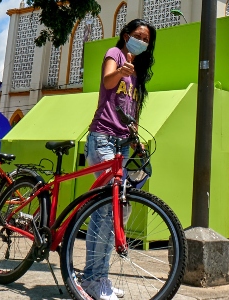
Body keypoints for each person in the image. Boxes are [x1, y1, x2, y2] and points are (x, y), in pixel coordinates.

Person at [82, 19, 157, 300]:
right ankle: (93, 279)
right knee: (104, 211)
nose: (141, 41)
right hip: (102, 138)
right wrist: (121, 70)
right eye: (137, 36)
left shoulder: (137, 75)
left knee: (115, 211)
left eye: (146, 39)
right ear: (126, 36)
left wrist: (136, 137)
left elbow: (130, 111)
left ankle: (100, 277)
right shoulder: (114, 55)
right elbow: (107, 81)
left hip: (122, 145)